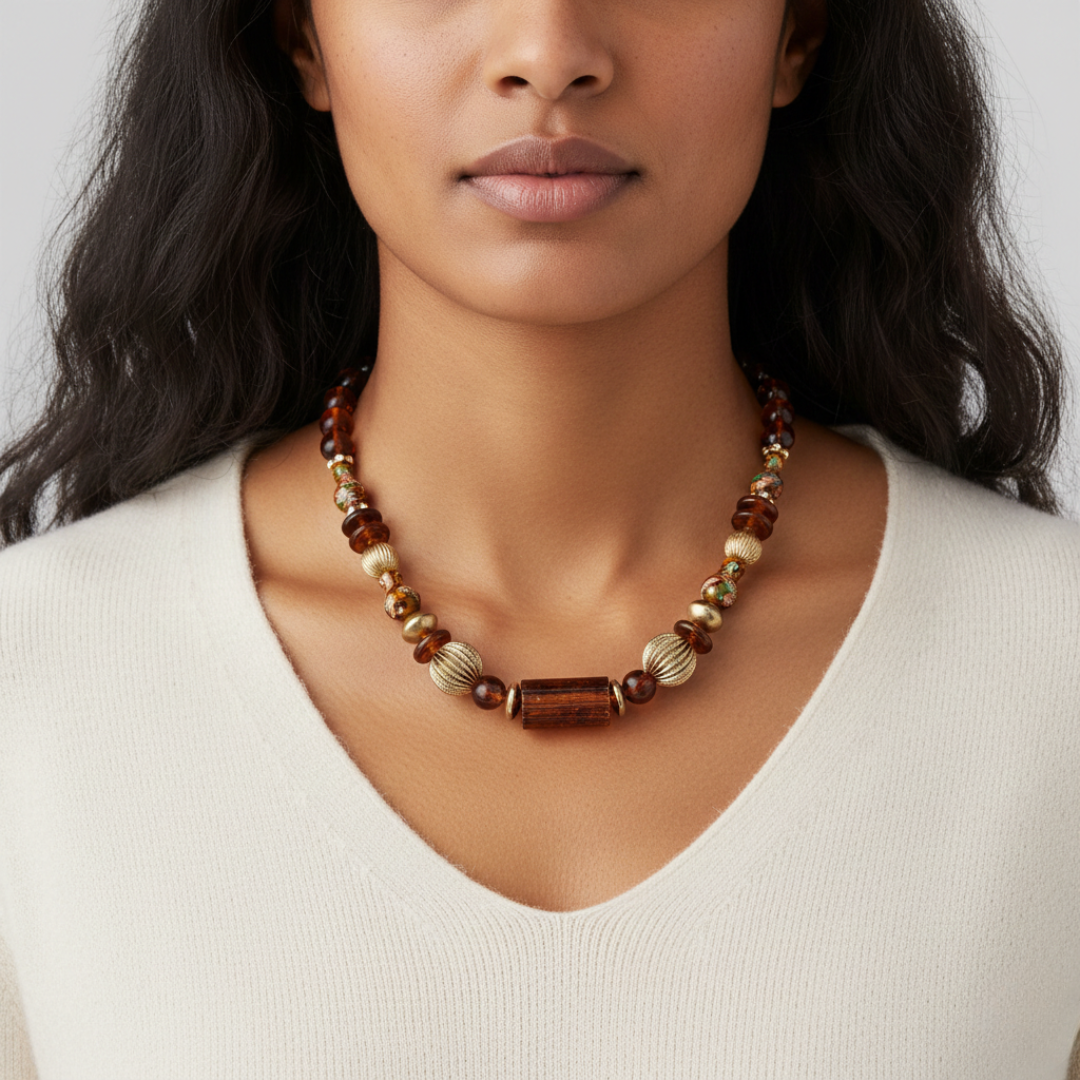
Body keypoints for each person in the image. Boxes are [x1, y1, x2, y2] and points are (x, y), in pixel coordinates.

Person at [1, 0, 1077, 1074]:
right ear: (301, 38)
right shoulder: (36, 684)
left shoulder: (1049, 667)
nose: (549, 54)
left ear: (797, 34)